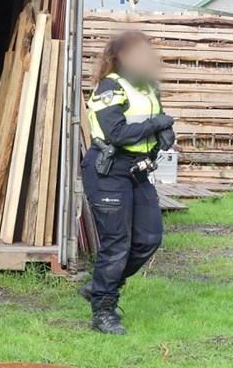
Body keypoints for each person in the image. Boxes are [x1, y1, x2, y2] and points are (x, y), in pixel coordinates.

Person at [81, 31, 175, 334]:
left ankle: (100, 286)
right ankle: (103, 312)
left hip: (138, 171)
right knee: (116, 244)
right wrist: (160, 123)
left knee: (150, 239)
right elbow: (117, 133)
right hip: (108, 171)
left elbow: (155, 118)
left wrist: (164, 135)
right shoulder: (109, 87)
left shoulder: (148, 86)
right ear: (119, 56)